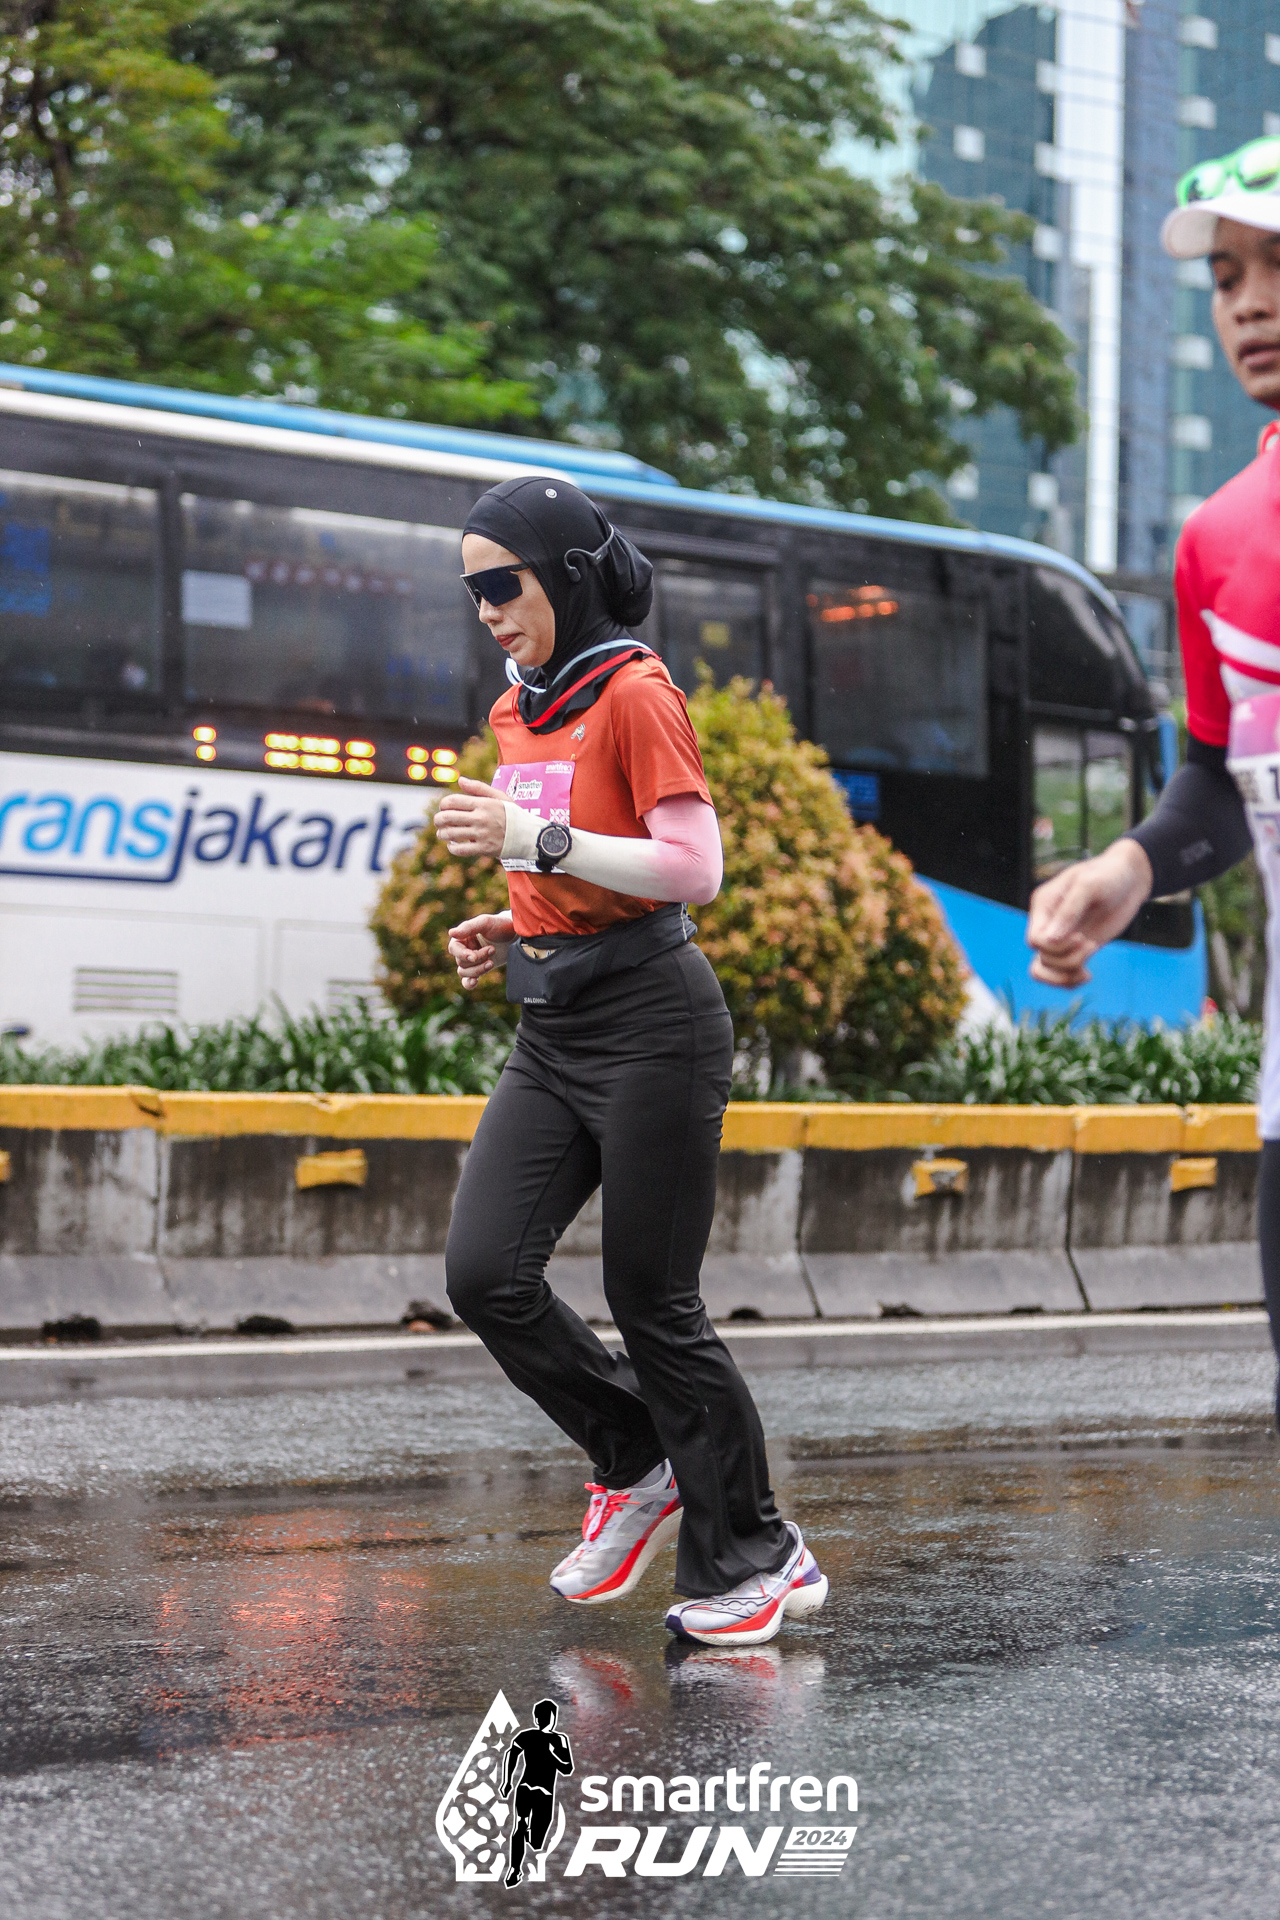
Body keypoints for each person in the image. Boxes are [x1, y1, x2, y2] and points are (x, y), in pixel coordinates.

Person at [436, 473, 829, 1646]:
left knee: (651, 1301)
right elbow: (578, 863)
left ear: (564, 575)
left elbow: (691, 867)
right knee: (483, 1273)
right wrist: (518, 917)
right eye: (471, 593)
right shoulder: (517, 708)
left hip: (656, 1021)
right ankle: (635, 1457)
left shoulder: (634, 691)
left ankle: (755, 1553)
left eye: (502, 585)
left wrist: (531, 838)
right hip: (552, 1024)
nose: (488, 611)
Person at [1026, 137, 1280, 1402]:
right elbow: (1224, 779)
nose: (1247, 302)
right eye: (1227, 276)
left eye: (1277, 265)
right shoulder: (1216, 542)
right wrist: (1126, 870)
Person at [499, 1698, 573, 1888]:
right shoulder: (528, 1736)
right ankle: (515, 1869)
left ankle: (526, 1841)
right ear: (538, 1718)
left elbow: (567, 1768)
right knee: (520, 1825)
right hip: (529, 1788)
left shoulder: (558, 1739)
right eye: (544, 1716)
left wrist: (551, 1756)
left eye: (548, 1716)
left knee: (535, 1839)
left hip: (541, 1792)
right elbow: (511, 1754)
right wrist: (507, 1781)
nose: (547, 1720)